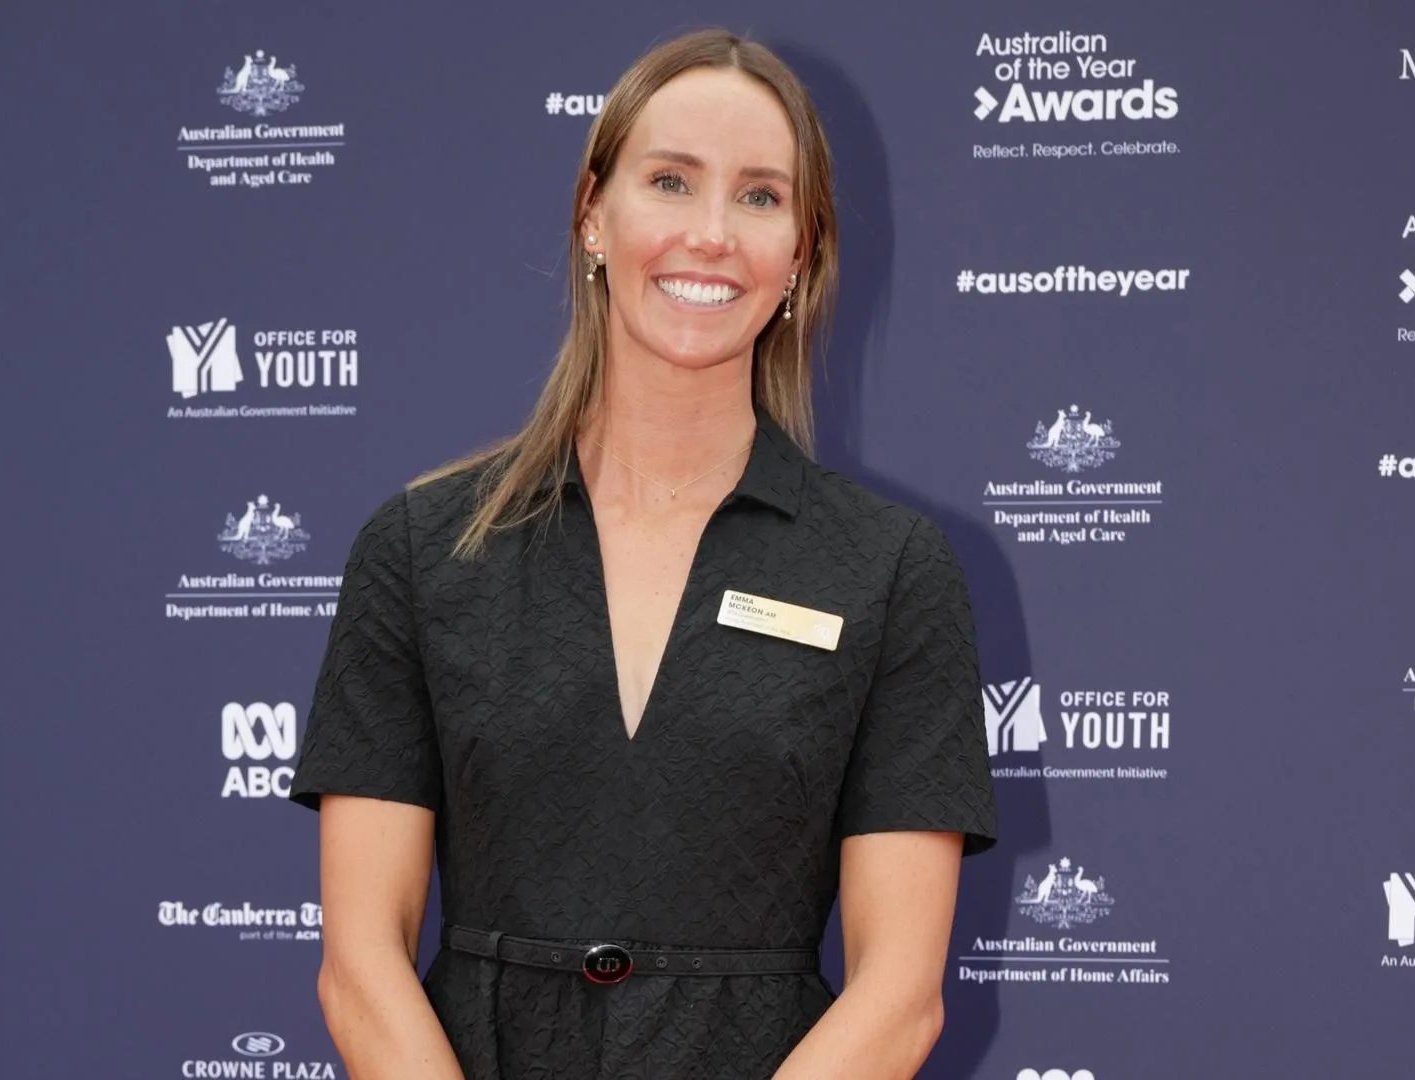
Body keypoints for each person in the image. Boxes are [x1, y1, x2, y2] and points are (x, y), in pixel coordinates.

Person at [289, 27, 997, 1080]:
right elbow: (360, 967)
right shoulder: (421, 549)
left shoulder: (892, 568)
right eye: (671, 181)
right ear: (592, 216)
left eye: (761, 197)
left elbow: (900, 999)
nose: (712, 234)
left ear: (801, 254)